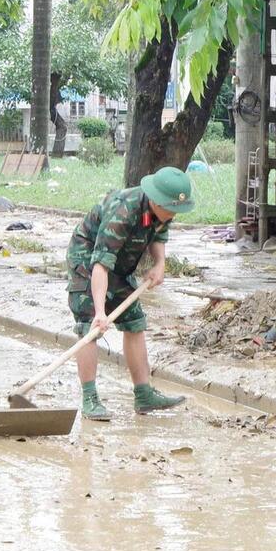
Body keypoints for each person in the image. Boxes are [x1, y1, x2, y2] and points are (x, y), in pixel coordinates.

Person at [66, 167, 193, 420]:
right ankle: (90, 399)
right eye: (170, 210)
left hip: (122, 264)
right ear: (155, 200)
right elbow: (100, 265)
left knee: (135, 322)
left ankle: (143, 394)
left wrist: (159, 264)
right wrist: (100, 313)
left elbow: (159, 234)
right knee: (88, 328)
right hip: (88, 260)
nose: (173, 215)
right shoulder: (122, 212)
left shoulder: (164, 210)